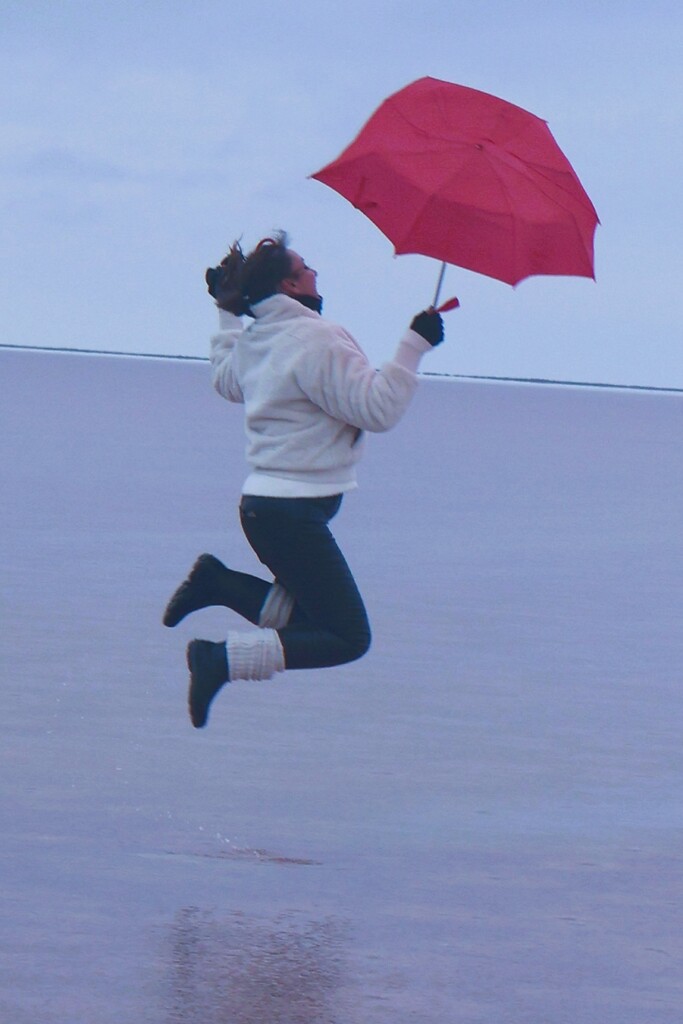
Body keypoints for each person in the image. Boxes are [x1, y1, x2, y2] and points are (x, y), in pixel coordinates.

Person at [163, 232, 445, 728]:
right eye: (305, 266)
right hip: (291, 516)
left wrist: (226, 312)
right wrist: (414, 345)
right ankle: (218, 657)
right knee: (348, 637)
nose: (315, 271)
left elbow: (226, 379)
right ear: (290, 286)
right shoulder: (317, 339)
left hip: (266, 510)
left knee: (318, 621)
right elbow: (378, 410)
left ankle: (218, 583)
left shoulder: (262, 336)